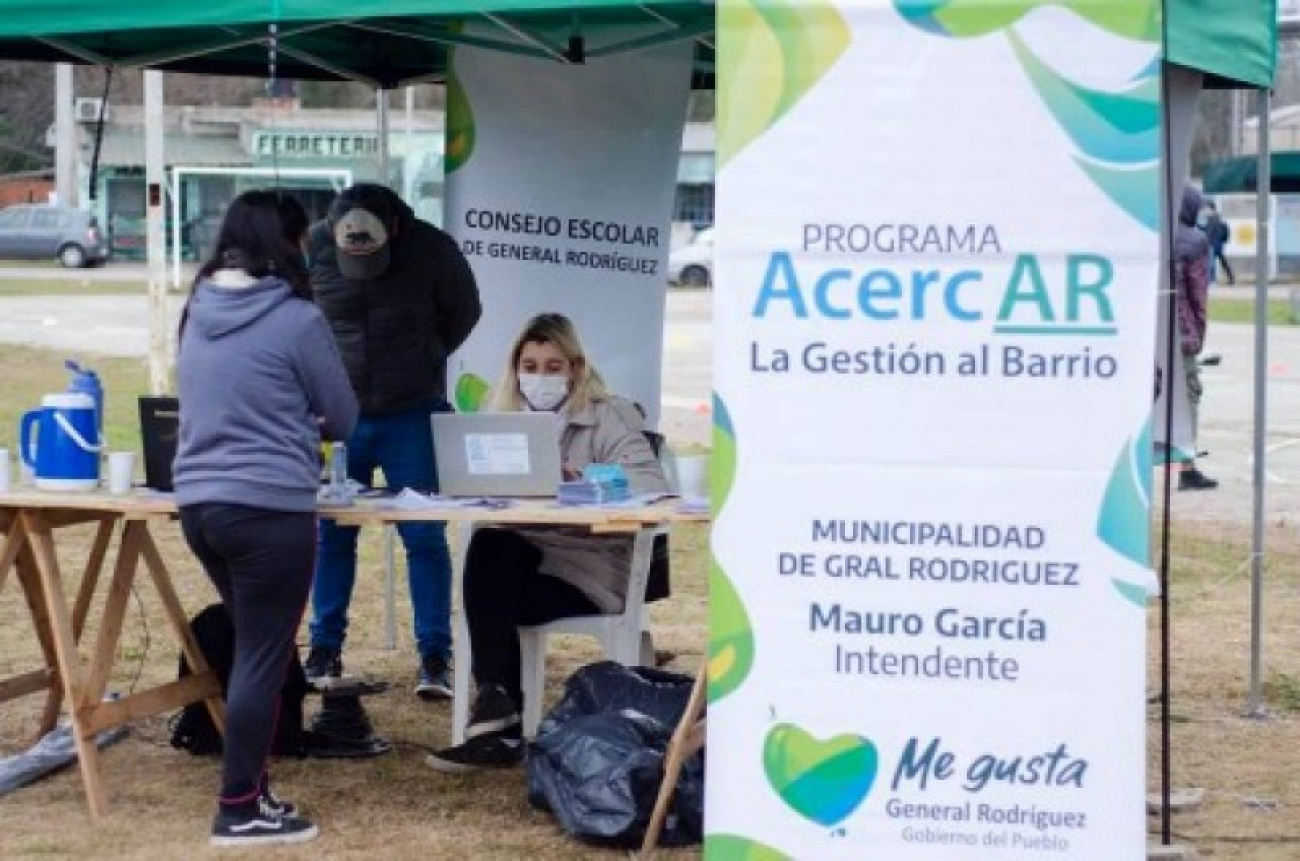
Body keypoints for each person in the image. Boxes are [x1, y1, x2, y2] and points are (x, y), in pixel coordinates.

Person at [174, 190, 359, 846]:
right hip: (268, 508)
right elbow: (342, 416)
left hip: (199, 506)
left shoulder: (197, 308)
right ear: (286, 244)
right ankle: (238, 806)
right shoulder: (297, 317)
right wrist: (300, 419)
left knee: (259, 646)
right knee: (262, 652)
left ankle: (254, 785)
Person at [425, 312, 669, 772]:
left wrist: (582, 480)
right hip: (525, 558)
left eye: (553, 367)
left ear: (575, 369)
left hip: (589, 566)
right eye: (530, 366)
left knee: (490, 587)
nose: (539, 377)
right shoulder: (503, 419)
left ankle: (500, 726)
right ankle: (499, 710)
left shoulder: (609, 413)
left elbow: (648, 481)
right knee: (489, 549)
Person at [305, 183, 482, 698]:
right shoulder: (313, 246)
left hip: (413, 412)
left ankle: (434, 657)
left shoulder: (433, 248)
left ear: (395, 230)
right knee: (333, 532)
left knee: (424, 535)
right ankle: (324, 649)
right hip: (342, 415)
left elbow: (465, 312)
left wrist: (426, 355)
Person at [1174, 186, 1218, 491]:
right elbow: (1197, 294)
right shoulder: (1195, 240)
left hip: (1150, 330)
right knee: (1188, 395)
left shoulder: (1155, 234)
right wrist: (1198, 334)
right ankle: (1187, 467)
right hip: (1181, 331)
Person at [1203, 199, 1234, 286]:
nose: (1204, 211)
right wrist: (1223, 241)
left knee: (1210, 263)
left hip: (1212, 244)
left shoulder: (1212, 220)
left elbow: (1208, 233)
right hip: (1218, 244)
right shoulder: (1219, 219)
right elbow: (1226, 231)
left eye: (1205, 209)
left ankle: (1211, 280)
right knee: (1222, 262)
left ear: (1210, 209)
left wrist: (1206, 241)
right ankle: (1231, 278)